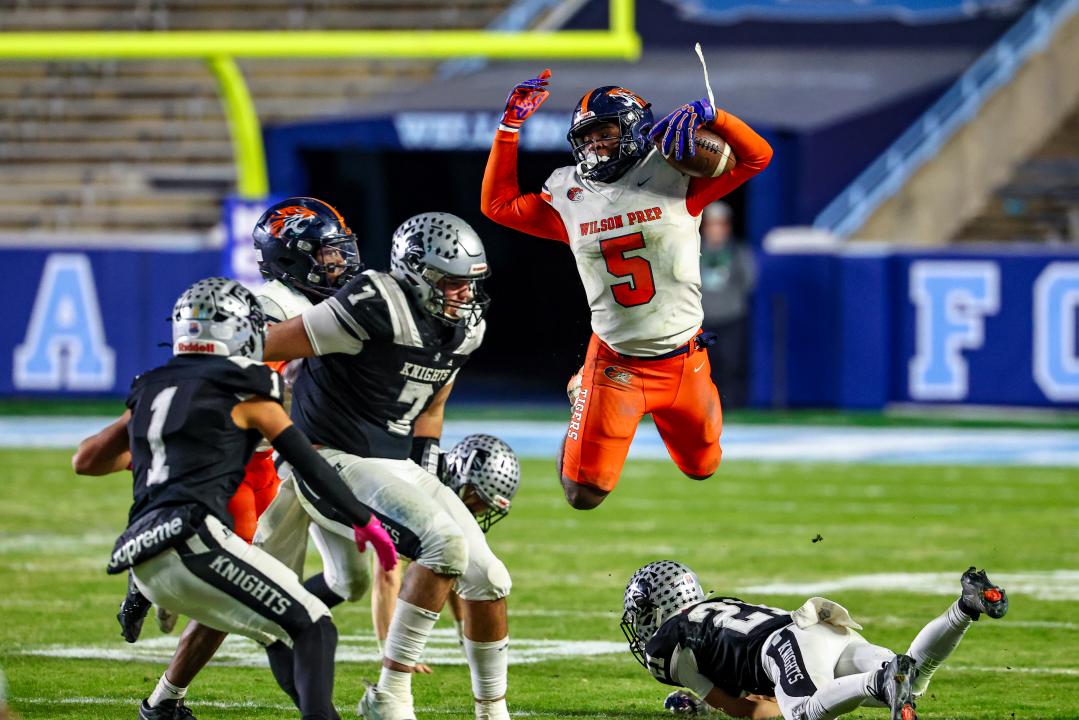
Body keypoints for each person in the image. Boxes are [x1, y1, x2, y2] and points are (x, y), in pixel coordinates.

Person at [73, 197, 365, 720]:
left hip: (272, 458)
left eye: (340, 253)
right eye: (326, 255)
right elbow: (203, 396)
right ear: (293, 258)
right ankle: (164, 675)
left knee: (285, 589)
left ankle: (164, 699)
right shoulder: (273, 306)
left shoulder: (312, 305)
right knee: (259, 596)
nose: (339, 264)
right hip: (242, 461)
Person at [259, 212, 513, 720]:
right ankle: (389, 696)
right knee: (444, 545)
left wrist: (427, 468)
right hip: (331, 458)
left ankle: (493, 711)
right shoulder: (375, 302)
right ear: (417, 273)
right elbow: (267, 345)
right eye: (452, 282)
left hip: (393, 460)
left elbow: (433, 405)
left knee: (490, 578)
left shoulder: (466, 326)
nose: (464, 294)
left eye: (470, 282)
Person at [481, 70, 773, 510]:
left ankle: (592, 399)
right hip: (616, 363)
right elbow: (498, 205)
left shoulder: (673, 174)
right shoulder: (571, 195)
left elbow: (757, 157)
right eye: (587, 138)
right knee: (583, 494)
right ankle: (584, 394)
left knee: (703, 467)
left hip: (684, 358)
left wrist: (717, 116)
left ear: (634, 127)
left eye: (605, 132)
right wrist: (508, 129)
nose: (596, 144)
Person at [620, 561, 1009, 720]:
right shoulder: (719, 605)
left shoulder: (669, 644)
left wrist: (711, 706)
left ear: (659, 604)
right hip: (819, 626)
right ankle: (965, 606)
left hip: (785, 646)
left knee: (804, 712)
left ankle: (881, 680)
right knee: (915, 678)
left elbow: (745, 710)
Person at [370, 434, 521, 665]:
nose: (480, 511)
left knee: (345, 582)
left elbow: (450, 560)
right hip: (336, 499)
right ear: (465, 479)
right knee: (347, 580)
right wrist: (391, 653)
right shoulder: (418, 483)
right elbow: (387, 575)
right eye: (479, 501)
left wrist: (463, 630)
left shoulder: (444, 480)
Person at [698, 201, 756, 408]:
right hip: (702, 320)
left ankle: (733, 406)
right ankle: (705, 407)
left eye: (720, 224)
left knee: (732, 363)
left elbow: (749, 281)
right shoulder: (693, 250)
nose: (716, 229)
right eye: (712, 224)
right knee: (703, 367)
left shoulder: (738, 251)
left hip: (731, 317)